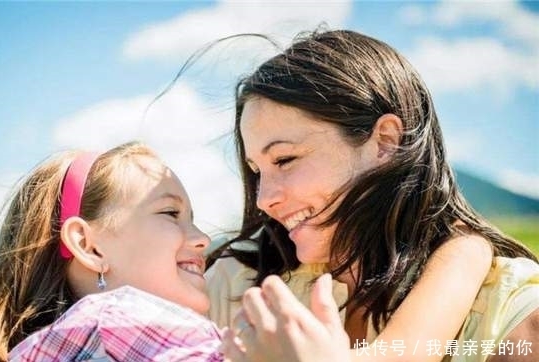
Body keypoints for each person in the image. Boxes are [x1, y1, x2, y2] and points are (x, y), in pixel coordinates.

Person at [206, 29, 539, 362]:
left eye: (285, 159)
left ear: (385, 141)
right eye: (257, 171)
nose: (264, 199)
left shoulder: (508, 313)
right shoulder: (235, 284)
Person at [0, 142, 223, 361]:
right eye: (170, 213)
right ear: (89, 247)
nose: (202, 238)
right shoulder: (116, 318)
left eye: (192, 218)